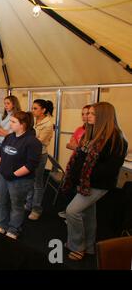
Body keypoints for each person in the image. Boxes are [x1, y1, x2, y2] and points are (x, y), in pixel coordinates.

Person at [62, 102, 127, 261]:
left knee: (72, 211)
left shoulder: (116, 140)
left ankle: (77, 246)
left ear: (103, 117)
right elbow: (81, 159)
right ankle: (90, 247)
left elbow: (109, 170)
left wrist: (84, 175)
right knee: (88, 215)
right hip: (85, 183)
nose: (87, 116)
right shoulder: (89, 134)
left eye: (91, 114)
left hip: (97, 185)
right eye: (87, 113)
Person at [0, 111, 42, 239]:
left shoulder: (33, 142)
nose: (10, 124)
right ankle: (3, 225)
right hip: (4, 176)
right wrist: (0, 167)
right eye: (10, 121)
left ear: (23, 125)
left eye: (13, 122)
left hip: (20, 180)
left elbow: (31, 165)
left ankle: (14, 229)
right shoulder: (10, 137)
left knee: (17, 205)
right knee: (0, 200)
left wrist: (13, 174)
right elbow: (0, 154)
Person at [59, 104, 91, 220]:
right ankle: (69, 212)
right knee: (70, 188)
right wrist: (79, 148)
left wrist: (78, 147)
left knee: (80, 190)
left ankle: (75, 214)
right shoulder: (79, 129)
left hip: (84, 165)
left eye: (88, 113)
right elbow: (69, 144)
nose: (85, 116)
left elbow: (84, 149)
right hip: (75, 161)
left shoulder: (94, 132)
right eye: (83, 114)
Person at [26, 99, 54, 220]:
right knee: (29, 181)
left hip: (39, 155)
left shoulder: (48, 124)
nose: (33, 110)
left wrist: (27, 138)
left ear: (43, 110)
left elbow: (38, 141)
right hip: (30, 154)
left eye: (35, 108)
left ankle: (36, 209)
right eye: (32, 108)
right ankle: (29, 204)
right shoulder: (33, 120)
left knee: (37, 183)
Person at [0, 95, 21, 196]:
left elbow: (15, 133)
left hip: (11, 146)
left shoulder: (18, 116)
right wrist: (6, 132)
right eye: (5, 103)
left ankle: (8, 189)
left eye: (8, 103)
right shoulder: (1, 116)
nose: (6, 105)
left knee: (10, 167)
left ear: (14, 104)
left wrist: (3, 131)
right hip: (0, 144)